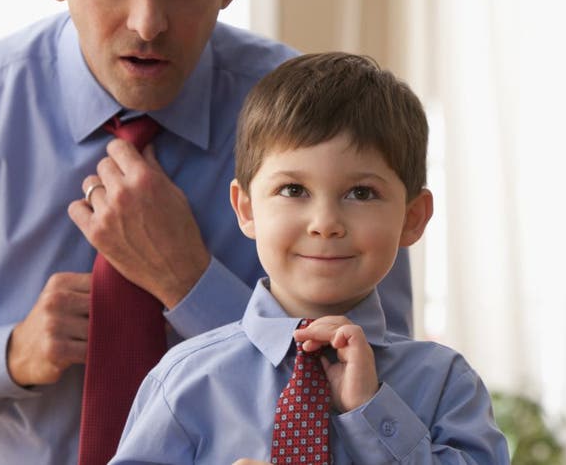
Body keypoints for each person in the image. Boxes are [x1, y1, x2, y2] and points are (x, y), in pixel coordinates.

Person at [0, 0, 412, 464]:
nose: (148, 23)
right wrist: (11, 354)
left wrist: (191, 284)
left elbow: (396, 384)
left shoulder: (333, 125)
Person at [110, 52, 509, 465]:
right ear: (246, 209)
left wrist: (372, 409)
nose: (325, 223)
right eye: (293, 190)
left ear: (412, 218)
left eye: (361, 193)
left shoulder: (446, 384)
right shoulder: (184, 383)